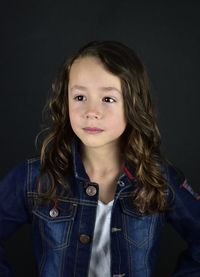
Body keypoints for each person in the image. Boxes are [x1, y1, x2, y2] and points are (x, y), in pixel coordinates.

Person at [0, 41, 200, 277]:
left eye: (108, 99)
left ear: (133, 104)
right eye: (79, 97)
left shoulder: (159, 178)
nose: (91, 111)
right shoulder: (34, 177)